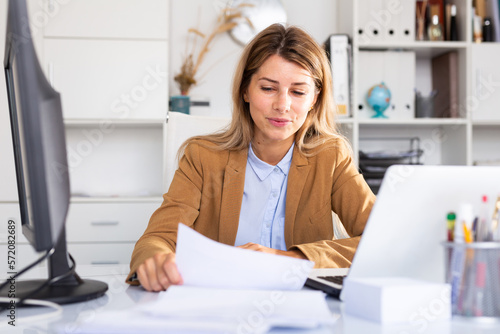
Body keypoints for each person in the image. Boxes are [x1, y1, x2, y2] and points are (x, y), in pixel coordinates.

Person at [127, 23, 376, 292]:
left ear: (315, 98)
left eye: (298, 92)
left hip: (300, 307)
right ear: (245, 91)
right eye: (268, 88)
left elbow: (381, 241)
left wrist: (289, 259)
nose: (282, 105)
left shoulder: (331, 158)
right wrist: (156, 259)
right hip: (217, 306)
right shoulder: (202, 157)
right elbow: (157, 238)